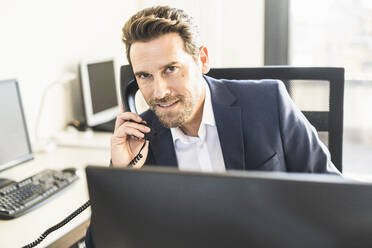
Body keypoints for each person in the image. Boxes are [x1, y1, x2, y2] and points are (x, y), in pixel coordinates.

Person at [86, 5, 340, 247]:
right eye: (145, 76)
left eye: (171, 69)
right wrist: (122, 173)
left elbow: (333, 197)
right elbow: (102, 243)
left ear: (202, 60)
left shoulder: (269, 101)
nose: (160, 92)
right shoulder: (141, 142)